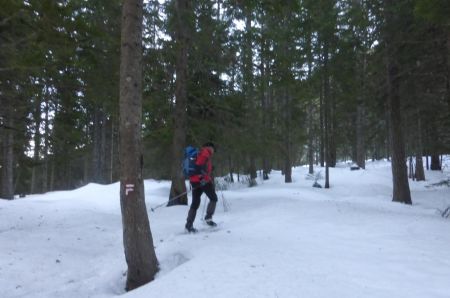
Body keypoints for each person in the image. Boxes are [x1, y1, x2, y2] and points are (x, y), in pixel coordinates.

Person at [185, 142, 218, 233]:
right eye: (213, 149)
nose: (213, 151)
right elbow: (199, 166)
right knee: (213, 198)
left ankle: (189, 224)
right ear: (209, 147)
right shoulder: (205, 153)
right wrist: (203, 178)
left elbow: (201, 166)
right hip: (203, 181)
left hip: (194, 181)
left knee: (195, 202)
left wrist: (211, 169)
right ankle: (208, 218)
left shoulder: (199, 153)